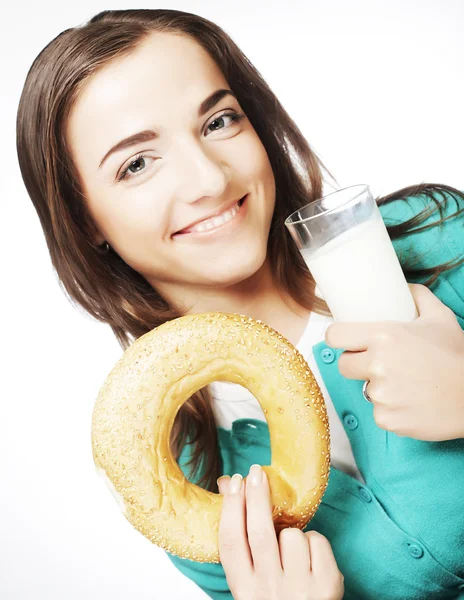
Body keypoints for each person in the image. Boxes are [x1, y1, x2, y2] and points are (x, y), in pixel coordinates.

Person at [16, 8, 464, 600]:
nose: (208, 179)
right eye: (136, 164)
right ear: (82, 220)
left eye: (219, 120)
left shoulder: (437, 238)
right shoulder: (184, 486)